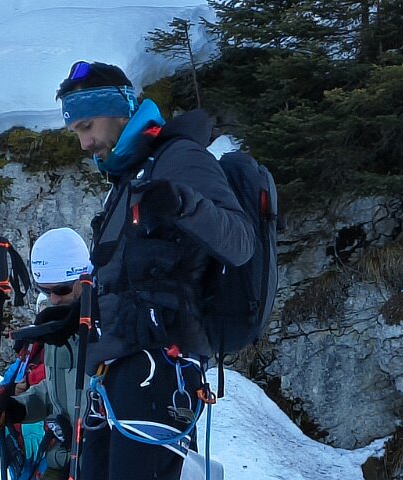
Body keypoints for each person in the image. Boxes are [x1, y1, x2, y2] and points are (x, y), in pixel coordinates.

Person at [55, 61, 254, 479]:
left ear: (121, 111)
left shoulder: (178, 158)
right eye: (75, 132)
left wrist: (183, 203)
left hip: (160, 369)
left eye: (87, 126)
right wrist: (68, 319)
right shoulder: (129, 177)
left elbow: (239, 242)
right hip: (117, 371)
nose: (84, 143)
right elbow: (132, 279)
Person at [0, 227, 94, 480]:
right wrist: (16, 408)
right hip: (61, 461)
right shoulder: (56, 328)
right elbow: (54, 393)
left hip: (96, 463)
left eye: (61, 290)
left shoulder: (106, 330)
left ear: (84, 278)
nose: (53, 300)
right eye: (45, 290)